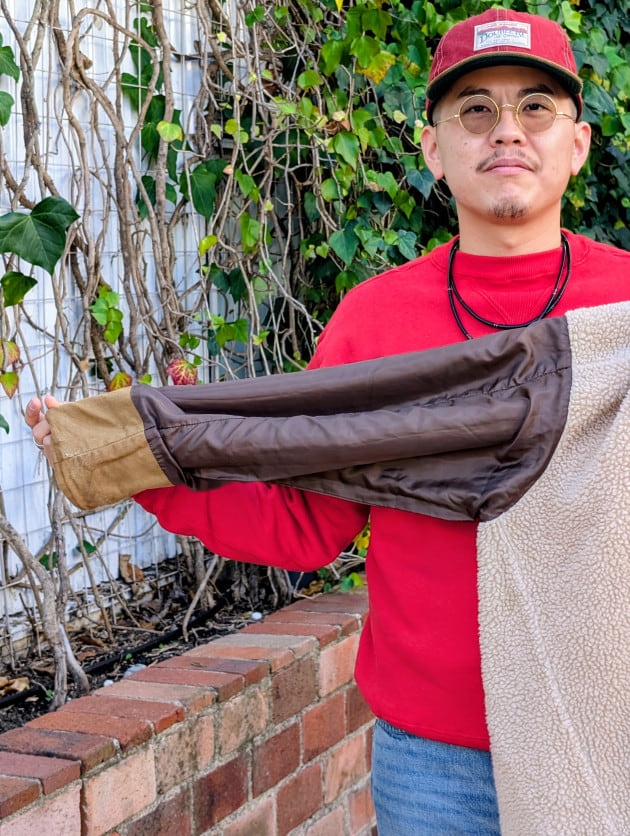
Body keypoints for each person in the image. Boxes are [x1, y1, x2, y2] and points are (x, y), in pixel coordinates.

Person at [25, 8, 630, 834]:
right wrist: (136, 457)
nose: (506, 131)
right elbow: (304, 521)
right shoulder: (376, 322)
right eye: (475, 110)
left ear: (579, 142)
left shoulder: (624, 310)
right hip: (437, 765)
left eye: (535, 107)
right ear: (433, 148)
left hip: (606, 737)